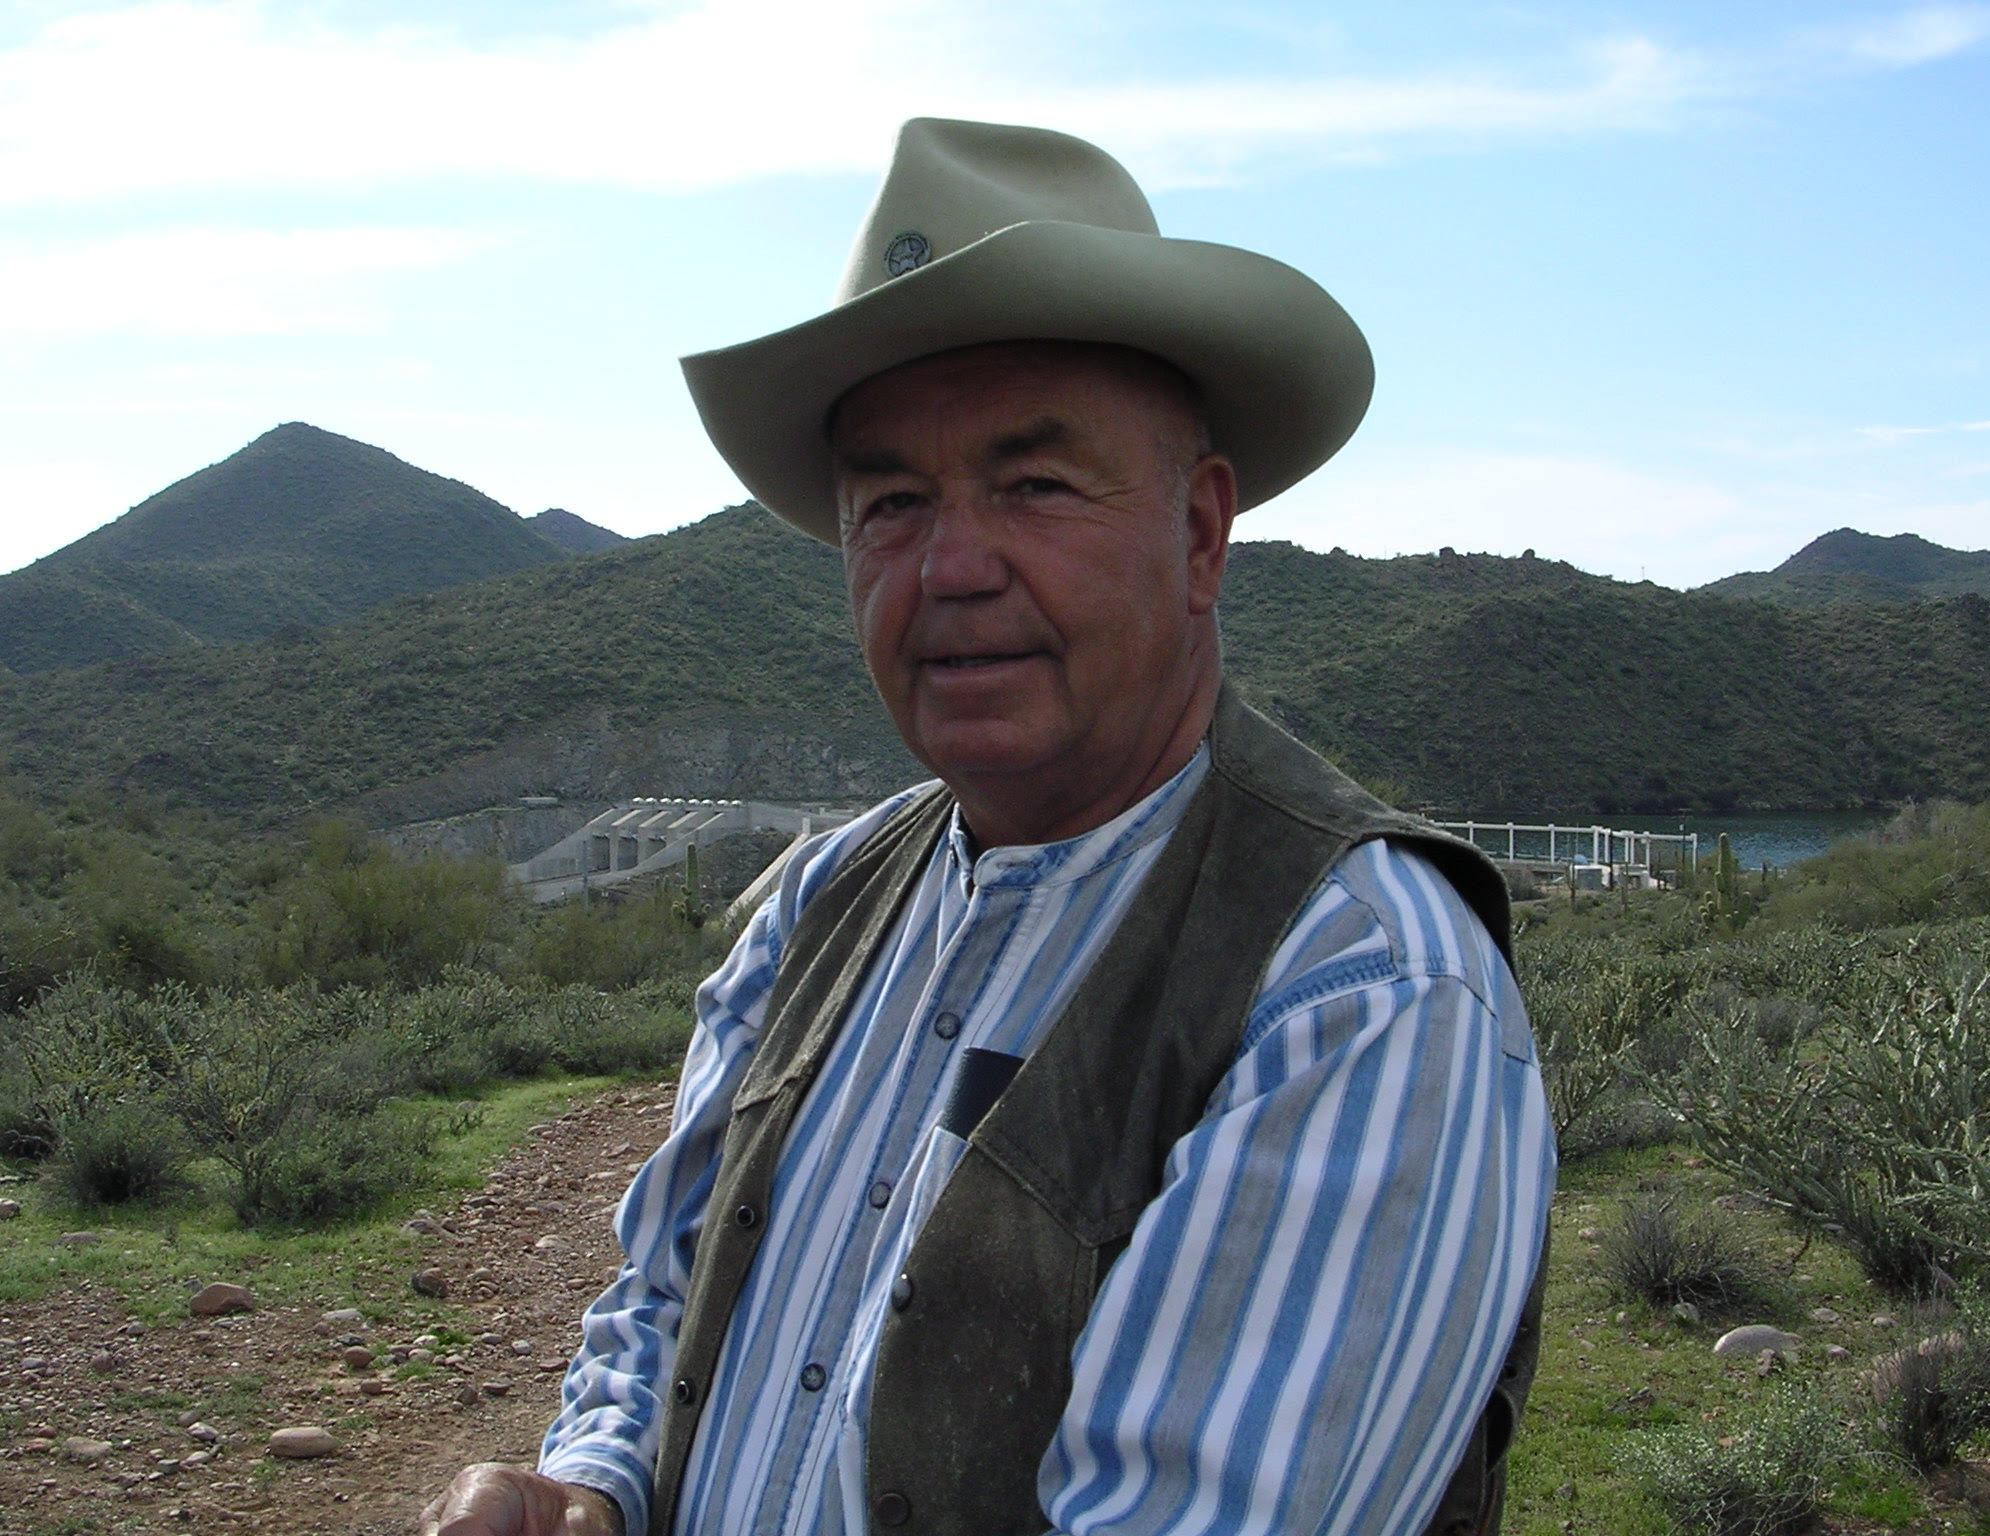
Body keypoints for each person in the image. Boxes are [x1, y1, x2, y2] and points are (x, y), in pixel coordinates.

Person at [421, 117, 1553, 1536]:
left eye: (1036, 485)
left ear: (1201, 533)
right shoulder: (821, 902)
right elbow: (665, 1296)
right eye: (893, 502)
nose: (951, 567)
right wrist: (598, 1482)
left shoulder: (1360, 988)